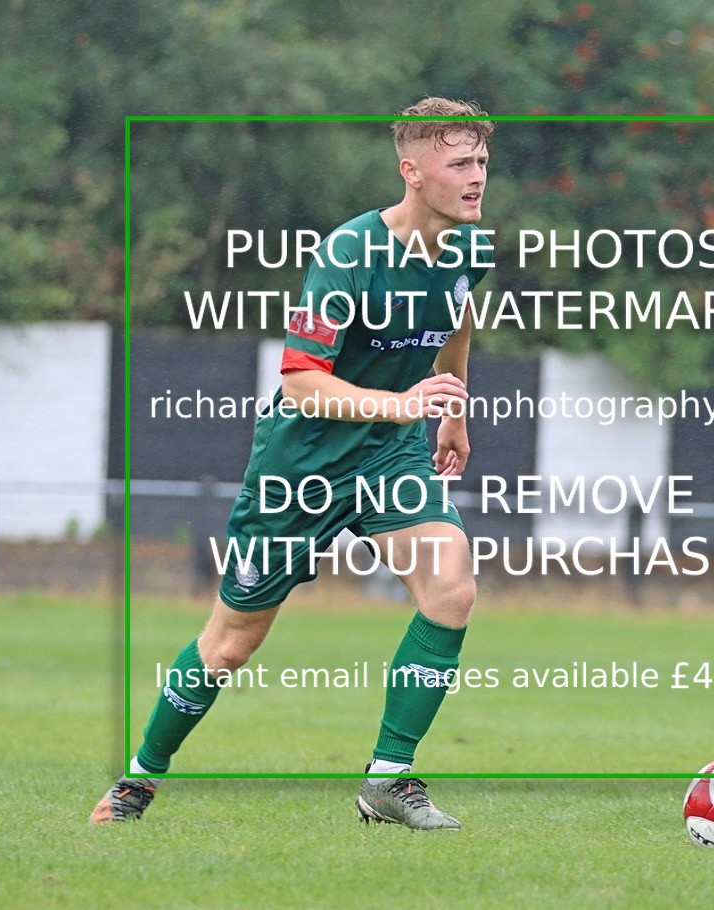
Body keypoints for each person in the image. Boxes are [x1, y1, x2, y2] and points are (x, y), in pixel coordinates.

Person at [91, 97, 493, 830]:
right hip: (303, 460)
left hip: (390, 455)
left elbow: (456, 316)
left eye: (482, 163)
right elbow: (301, 379)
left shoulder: (472, 249)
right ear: (412, 171)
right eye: (459, 163)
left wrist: (450, 412)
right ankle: (138, 780)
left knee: (452, 588)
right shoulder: (349, 256)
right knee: (230, 643)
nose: (476, 178)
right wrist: (401, 405)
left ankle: (388, 779)